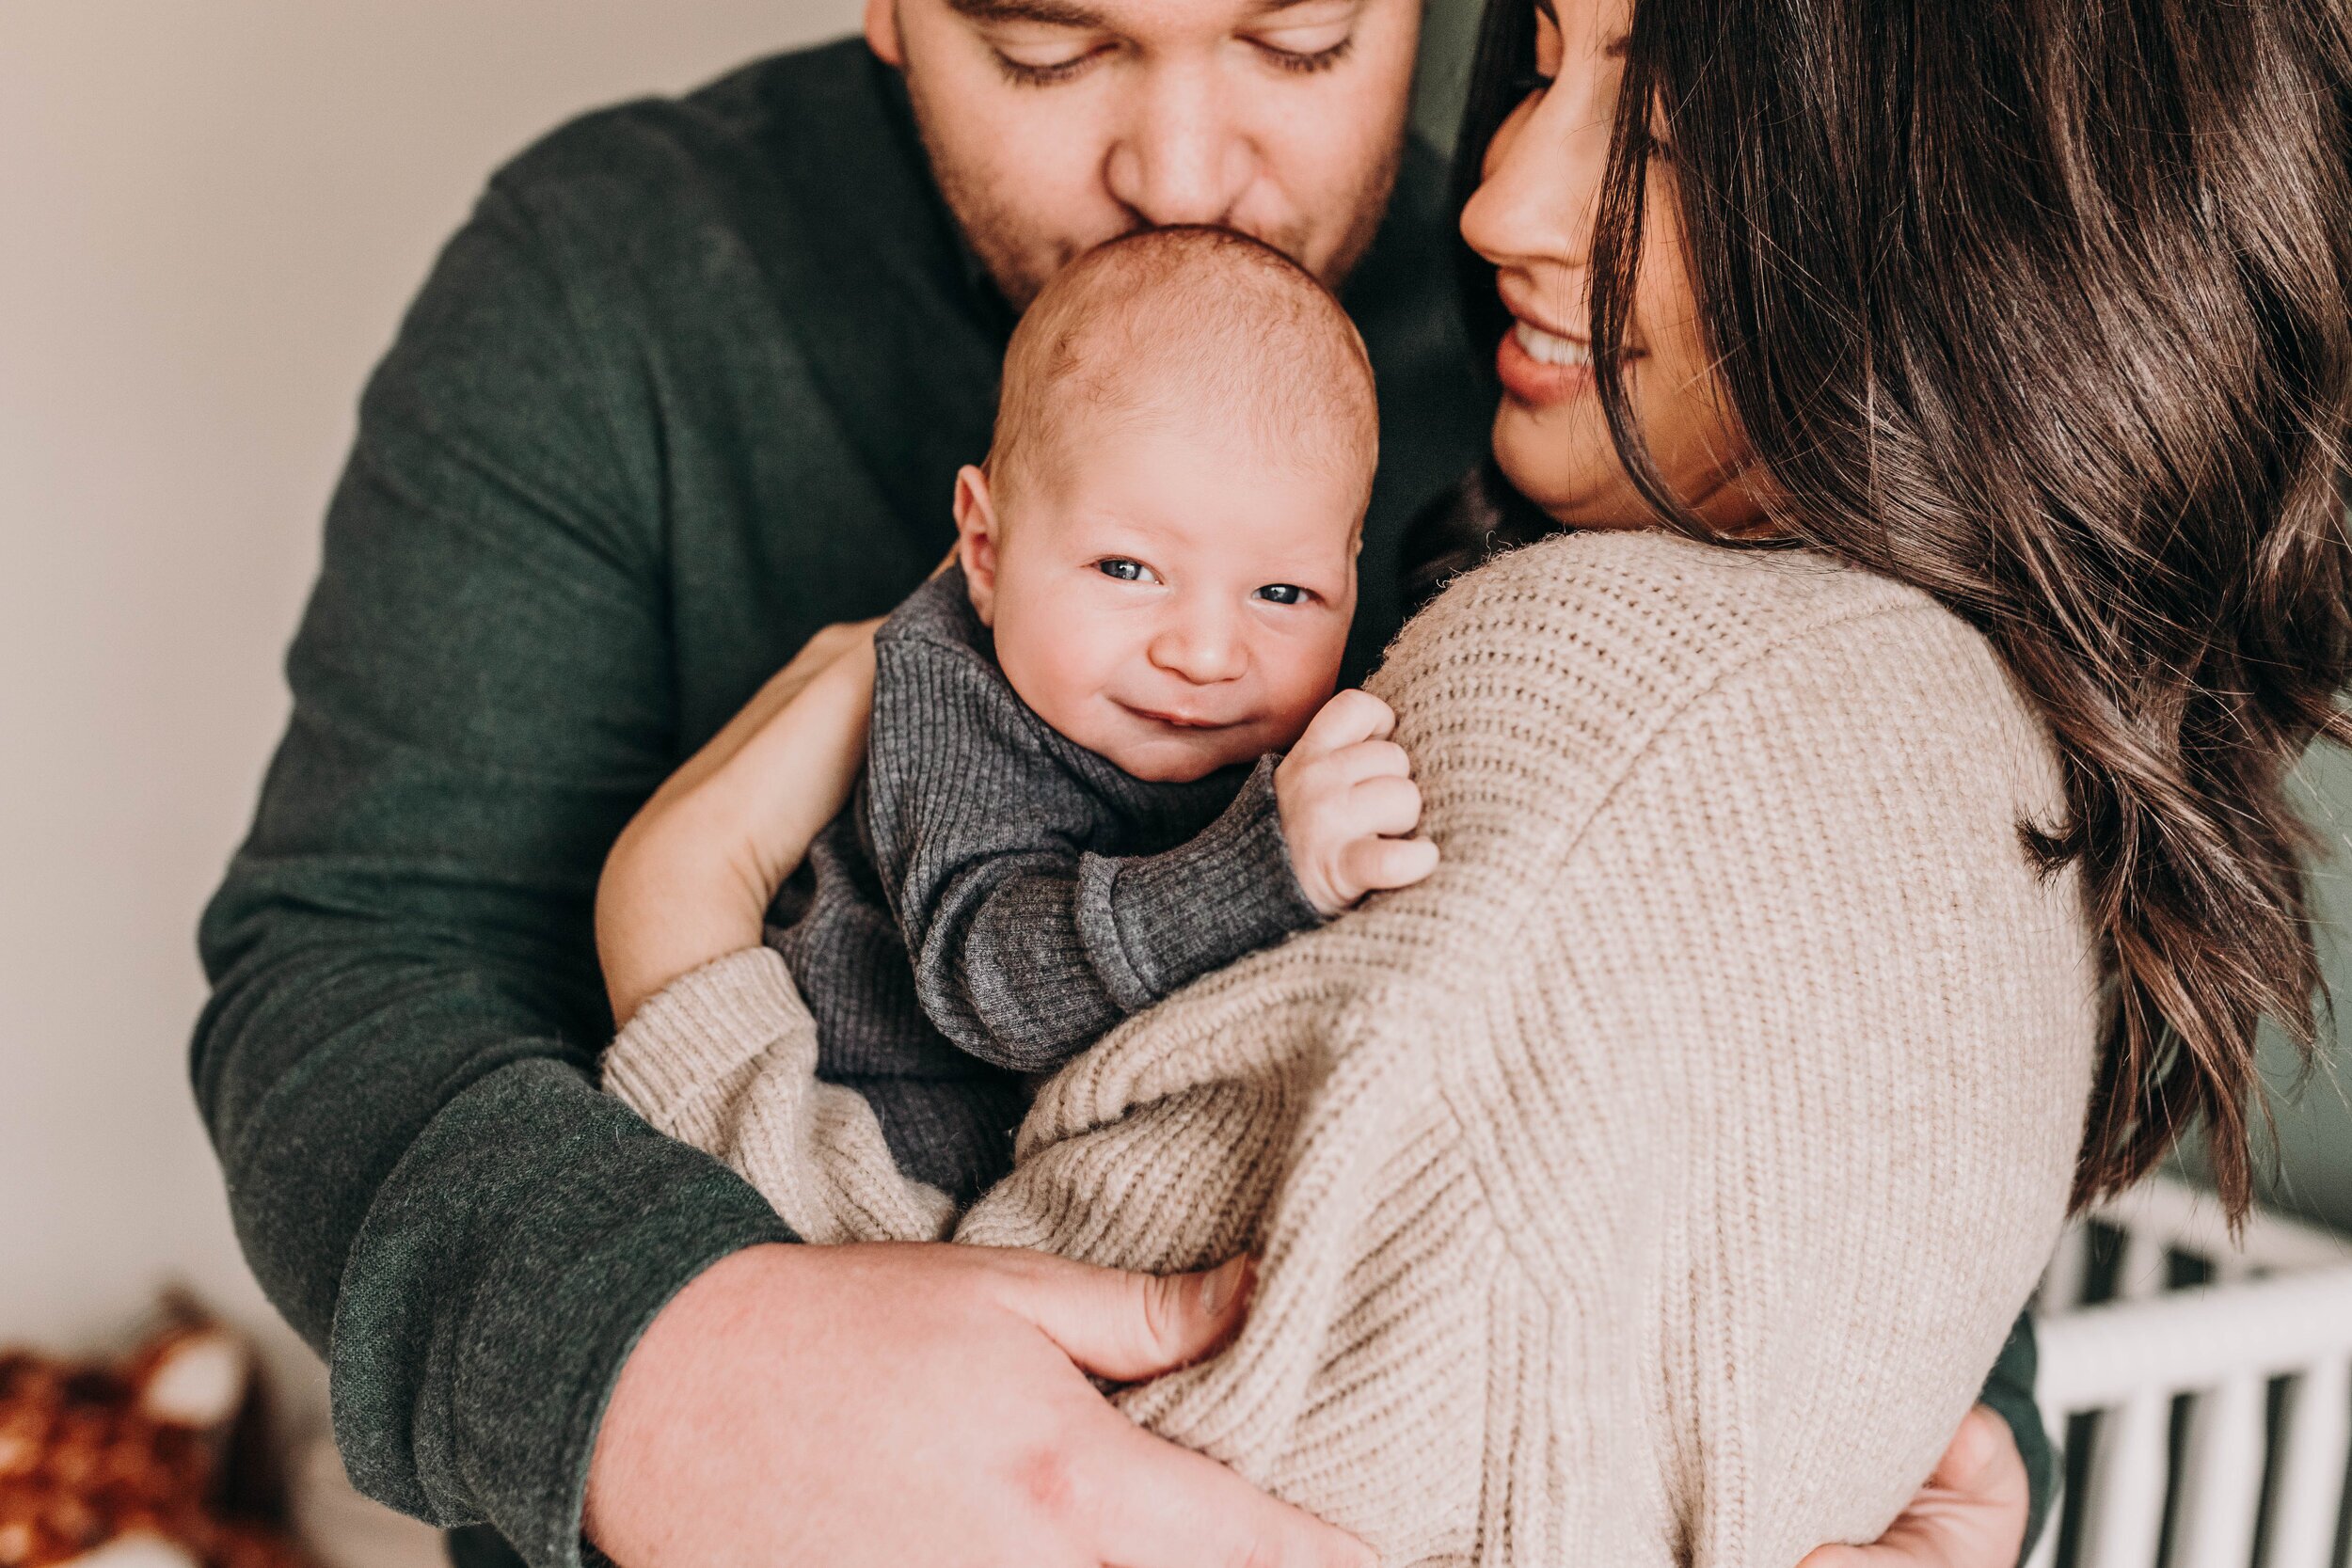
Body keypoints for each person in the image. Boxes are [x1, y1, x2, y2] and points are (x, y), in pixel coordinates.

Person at [186, 0, 2074, 1560]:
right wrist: (676, 1362)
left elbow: (1790, 914)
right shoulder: (610, 280)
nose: (1181, 170)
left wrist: (1941, 1400)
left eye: (1301, 40)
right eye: (1047, 47)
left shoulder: (1555, 351)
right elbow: (344, 969)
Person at [625, 228, 1440, 1220]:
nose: (1207, 652)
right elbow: (986, 982)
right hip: (873, 1147)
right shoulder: (954, 694)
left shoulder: (1292, 707)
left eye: (1283, 590)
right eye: (1127, 569)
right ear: (984, 548)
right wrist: (1267, 869)